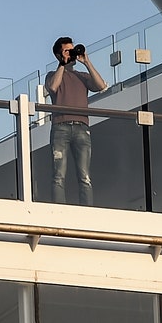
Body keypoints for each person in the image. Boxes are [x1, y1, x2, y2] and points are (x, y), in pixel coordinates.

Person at [45, 37, 108, 205]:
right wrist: (62, 64)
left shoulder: (82, 76)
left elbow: (101, 86)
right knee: (59, 175)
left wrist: (86, 61)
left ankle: (86, 213)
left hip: (82, 128)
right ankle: (59, 211)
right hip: (60, 127)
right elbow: (52, 87)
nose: (71, 53)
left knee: (85, 176)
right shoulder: (52, 75)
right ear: (59, 54)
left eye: (72, 50)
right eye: (67, 51)